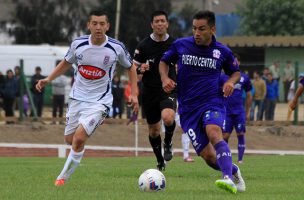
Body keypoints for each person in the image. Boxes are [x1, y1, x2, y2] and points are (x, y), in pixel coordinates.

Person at [35, 10, 139, 186]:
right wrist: (48, 79)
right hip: (76, 99)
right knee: (70, 139)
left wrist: (135, 94)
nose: (98, 27)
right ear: (88, 25)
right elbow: (66, 62)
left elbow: (131, 67)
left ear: (108, 26)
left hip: (100, 102)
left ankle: (62, 179)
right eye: (95, 23)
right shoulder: (78, 44)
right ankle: (78, 147)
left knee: (79, 138)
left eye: (102, 24)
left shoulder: (116, 47)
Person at [159, 10, 245, 194]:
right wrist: (165, 78)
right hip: (188, 109)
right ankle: (234, 171)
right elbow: (164, 61)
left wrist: (230, 82)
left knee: (214, 132)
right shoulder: (181, 45)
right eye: (194, 28)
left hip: (212, 102)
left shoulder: (222, 51)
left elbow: (236, 72)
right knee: (208, 157)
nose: (197, 33)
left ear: (212, 29)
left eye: (202, 29)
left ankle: (227, 179)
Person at [133, 11, 177, 170]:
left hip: (168, 89)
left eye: (162, 21)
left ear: (167, 24)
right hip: (149, 92)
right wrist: (140, 70)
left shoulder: (175, 44)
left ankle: (169, 142)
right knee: (153, 131)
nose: (160, 24)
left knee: (168, 117)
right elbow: (134, 70)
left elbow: (182, 66)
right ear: (152, 25)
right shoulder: (143, 45)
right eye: (156, 21)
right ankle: (160, 161)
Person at [220, 54, 252, 163]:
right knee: (224, 136)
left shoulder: (244, 77)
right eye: (232, 61)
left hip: (239, 112)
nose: (234, 63)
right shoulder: (222, 77)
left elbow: (249, 95)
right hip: (226, 112)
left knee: (240, 134)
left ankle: (240, 160)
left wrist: (247, 112)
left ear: (239, 62)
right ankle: (225, 158)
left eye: (236, 61)